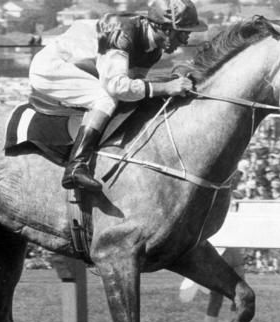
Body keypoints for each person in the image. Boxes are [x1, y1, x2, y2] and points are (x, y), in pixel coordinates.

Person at [28, 0, 208, 191]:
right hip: (52, 67)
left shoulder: (153, 50)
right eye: (183, 34)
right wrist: (166, 87)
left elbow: (136, 86)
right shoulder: (122, 32)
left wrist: (168, 83)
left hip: (83, 69)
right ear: (164, 29)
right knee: (105, 98)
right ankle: (76, 166)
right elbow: (117, 86)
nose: (186, 41)